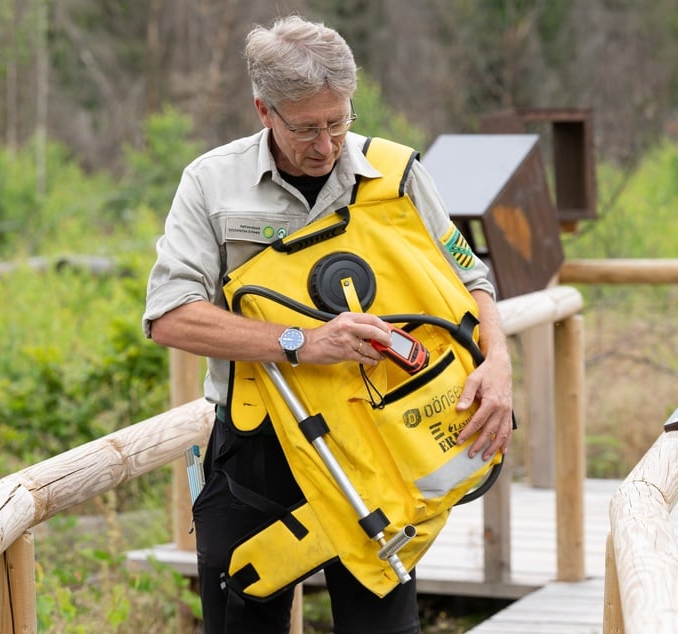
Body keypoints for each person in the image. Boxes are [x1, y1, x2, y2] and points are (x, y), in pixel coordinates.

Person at [143, 14, 514, 634]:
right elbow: (170, 316)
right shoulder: (212, 183)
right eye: (307, 128)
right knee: (239, 615)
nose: (327, 144)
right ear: (264, 110)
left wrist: (497, 364)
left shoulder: (395, 176)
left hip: (377, 447)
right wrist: (300, 343)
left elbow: (470, 279)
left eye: (339, 121)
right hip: (257, 451)